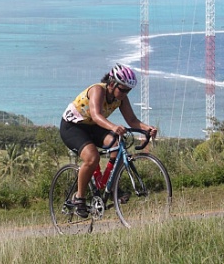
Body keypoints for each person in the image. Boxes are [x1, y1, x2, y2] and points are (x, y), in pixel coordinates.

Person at [59, 63, 158, 217]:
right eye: (123, 89)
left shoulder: (121, 98)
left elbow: (132, 119)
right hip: (73, 126)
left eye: (128, 90)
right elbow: (96, 115)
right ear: (112, 84)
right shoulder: (97, 90)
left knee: (118, 146)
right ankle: (80, 198)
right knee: (92, 157)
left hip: (93, 126)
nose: (125, 93)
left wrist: (147, 128)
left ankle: (110, 187)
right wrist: (113, 126)